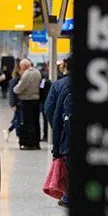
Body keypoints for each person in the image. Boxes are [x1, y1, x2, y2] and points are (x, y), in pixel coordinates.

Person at [44, 56, 72, 205]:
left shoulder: (58, 85)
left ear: (65, 67)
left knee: (68, 162)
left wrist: (57, 129)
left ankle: (68, 196)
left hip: (66, 132)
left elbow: (49, 109)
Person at [13, 59, 42, 150]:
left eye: (21, 66)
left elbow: (19, 88)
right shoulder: (37, 72)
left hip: (27, 100)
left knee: (28, 122)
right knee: (36, 122)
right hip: (36, 100)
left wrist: (15, 89)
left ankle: (29, 143)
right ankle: (36, 143)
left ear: (24, 66)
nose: (20, 68)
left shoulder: (27, 74)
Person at [5, 67, 21, 142]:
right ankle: (17, 135)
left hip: (19, 103)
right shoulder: (14, 80)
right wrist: (12, 104)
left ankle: (8, 131)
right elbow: (11, 93)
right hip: (17, 104)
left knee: (17, 119)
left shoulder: (20, 79)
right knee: (18, 120)